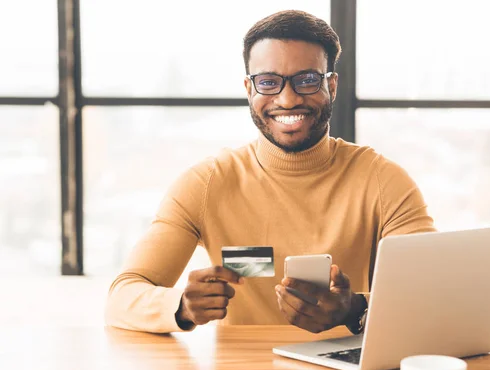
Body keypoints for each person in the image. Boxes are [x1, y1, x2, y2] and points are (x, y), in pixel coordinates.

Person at [105, 10, 435, 334]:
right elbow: (122, 297)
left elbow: (434, 294)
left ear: (331, 86)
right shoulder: (207, 183)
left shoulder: (383, 182)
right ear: (249, 89)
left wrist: (355, 309)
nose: (287, 99)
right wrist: (182, 307)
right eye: (268, 82)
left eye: (307, 81)